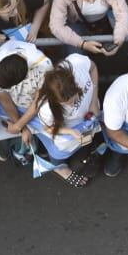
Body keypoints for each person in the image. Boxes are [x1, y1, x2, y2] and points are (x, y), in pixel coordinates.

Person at [30, 55, 99, 188]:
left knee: (86, 143)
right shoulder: (46, 109)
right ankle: (59, 168)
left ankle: (83, 152)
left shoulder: (77, 63)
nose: (73, 104)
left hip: (88, 121)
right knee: (59, 154)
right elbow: (48, 128)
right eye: (67, 103)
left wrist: (94, 100)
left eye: (75, 96)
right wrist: (69, 131)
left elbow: (93, 67)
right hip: (67, 135)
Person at [49, 0, 128, 70]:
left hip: (103, 21)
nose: (91, 1)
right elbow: (56, 26)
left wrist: (118, 40)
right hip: (77, 23)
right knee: (76, 59)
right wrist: (82, 44)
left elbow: (122, 13)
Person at [0, 39, 53, 162]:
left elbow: (38, 101)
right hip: (13, 105)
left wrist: (18, 126)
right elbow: (5, 102)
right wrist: (21, 128)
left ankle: (39, 139)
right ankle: (6, 137)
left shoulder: (44, 67)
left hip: (36, 105)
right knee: (4, 121)